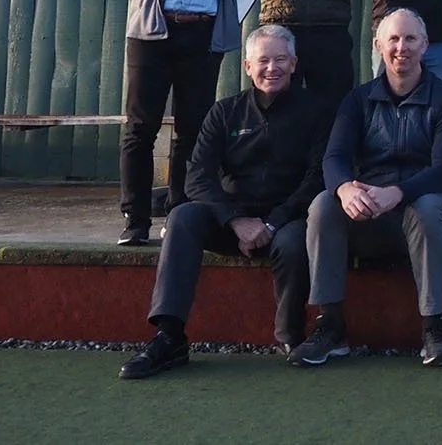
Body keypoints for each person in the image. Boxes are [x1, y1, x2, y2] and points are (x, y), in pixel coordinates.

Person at [119, 26, 330, 378]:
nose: (272, 68)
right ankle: (169, 337)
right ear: (247, 66)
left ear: (294, 64)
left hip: (287, 220)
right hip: (231, 221)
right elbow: (197, 177)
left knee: (294, 241)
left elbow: (317, 178)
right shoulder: (224, 112)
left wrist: (273, 222)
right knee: (183, 216)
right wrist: (235, 220)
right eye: (263, 60)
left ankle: (291, 338)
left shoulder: (318, 111)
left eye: (281, 59)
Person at [290, 8, 442, 368]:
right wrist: (345, 189)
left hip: (426, 206)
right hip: (371, 209)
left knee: (429, 207)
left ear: (425, 45)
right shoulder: (358, 100)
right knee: (323, 205)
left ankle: (434, 327)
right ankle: (330, 325)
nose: (402, 47)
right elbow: (334, 158)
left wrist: (398, 192)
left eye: (410, 39)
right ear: (378, 45)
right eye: (394, 39)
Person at [119, 0, 247, 246]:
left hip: (203, 33)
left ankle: (179, 215)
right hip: (152, 32)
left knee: (192, 130)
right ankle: (135, 219)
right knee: (140, 128)